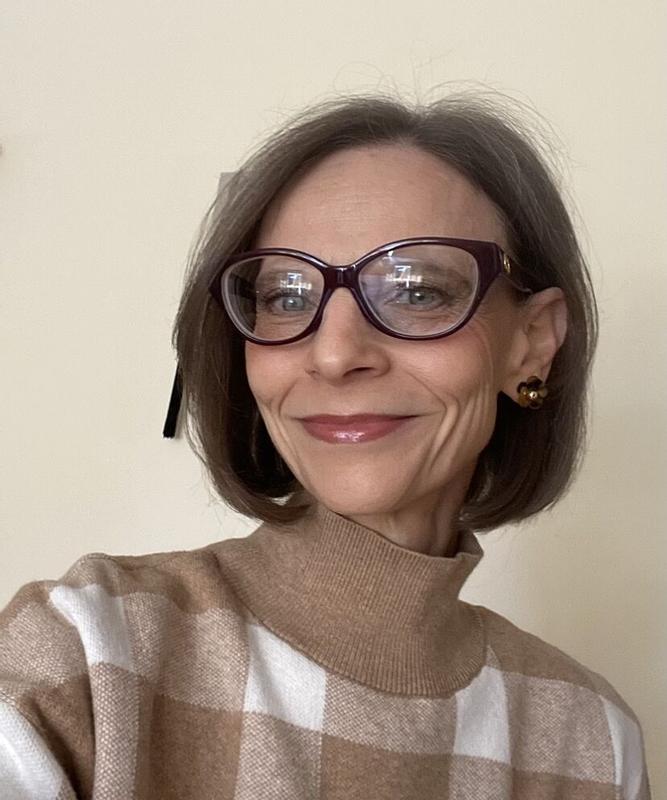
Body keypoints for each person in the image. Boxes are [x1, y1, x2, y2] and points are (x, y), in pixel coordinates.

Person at [0, 92, 652, 799]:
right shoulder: (84, 652)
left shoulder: (593, 740)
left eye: (416, 291)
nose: (335, 354)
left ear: (532, 342)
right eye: (285, 296)